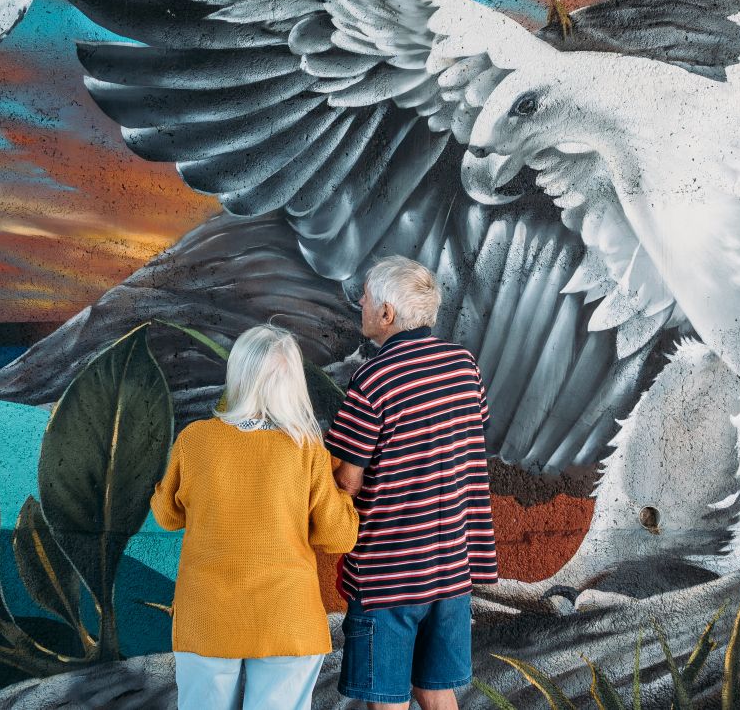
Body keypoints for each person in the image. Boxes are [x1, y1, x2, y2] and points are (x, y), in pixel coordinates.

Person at [150, 323, 359, 710]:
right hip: (287, 619)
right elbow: (338, 537)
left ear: (238, 374)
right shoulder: (307, 448)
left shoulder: (194, 439)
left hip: (207, 617)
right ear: (293, 382)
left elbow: (167, 516)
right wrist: (345, 493)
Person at [326, 256, 498, 710]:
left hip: (390, 572)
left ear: (386, 313)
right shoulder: (465, 367)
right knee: (437, 692)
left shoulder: (374, 379)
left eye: (365, 294)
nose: (359, 301)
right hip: (451, 569)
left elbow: (347, 481)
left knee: (387, 699)